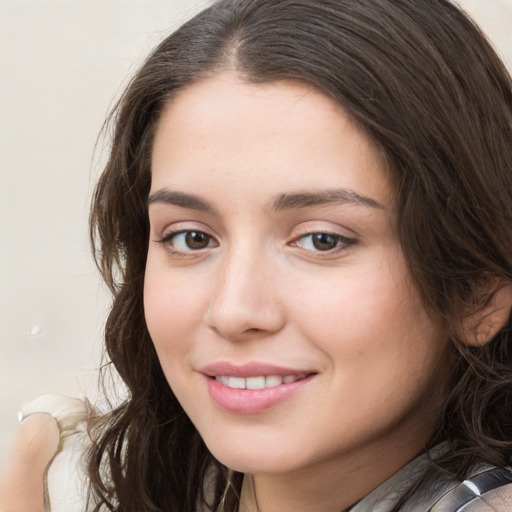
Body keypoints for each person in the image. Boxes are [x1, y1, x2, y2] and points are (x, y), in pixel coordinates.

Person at [1, 0, 512, 510]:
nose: (233, 310)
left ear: (479, 291)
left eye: (322, 240)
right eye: (191, 238)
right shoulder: (62, 485)